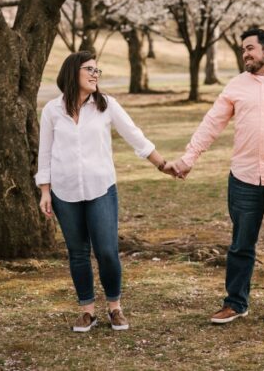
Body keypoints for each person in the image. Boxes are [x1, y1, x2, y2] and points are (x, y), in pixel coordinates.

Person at [165, 27, 264, 327]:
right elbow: (212, 123)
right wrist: (189, 158)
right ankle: (235, 303)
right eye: (243, 50)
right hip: (244, 180)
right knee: (240, 246)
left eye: (250, 48)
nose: (245, 54)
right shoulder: (236, 86)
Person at [36, 51, 173, 332]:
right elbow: (45, 153)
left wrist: (162, 164)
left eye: (98, 70)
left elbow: (135, 135)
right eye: (90, 69)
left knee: (108, 251)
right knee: (77, 252)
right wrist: (45, 191)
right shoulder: (52, 110)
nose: (96, 74)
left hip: (101, 189)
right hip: (65, 192)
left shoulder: (106, 105)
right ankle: (87, 311)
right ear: (73, 72)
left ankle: (114, 308)